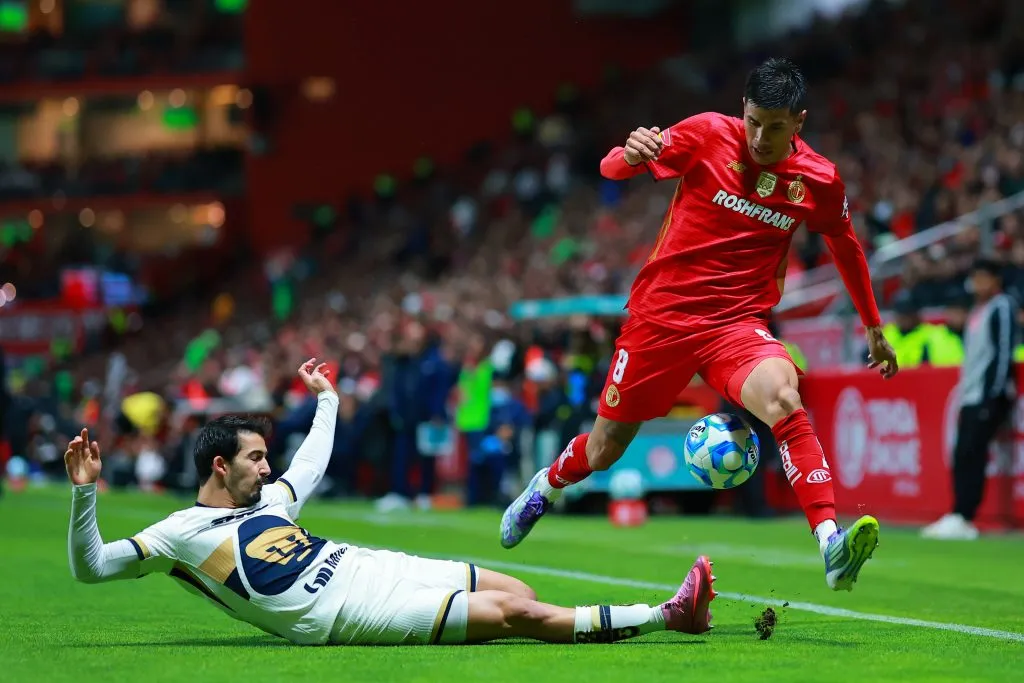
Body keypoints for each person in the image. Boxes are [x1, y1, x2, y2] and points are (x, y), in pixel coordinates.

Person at [501, 58, 899, 593]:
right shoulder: (708, 133)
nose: (760, 137)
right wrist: (630, 153)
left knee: (784, 397)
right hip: (660, 319)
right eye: (754, 122)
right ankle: (544, 488)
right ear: (743, 109)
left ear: (798, 121)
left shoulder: (818, 179)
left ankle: (830, 542)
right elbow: (610, 169)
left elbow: (845, 246)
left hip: (735, 323)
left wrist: (872, 325)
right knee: (603, 450)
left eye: (775, 127)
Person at [66, 358, 716, 646]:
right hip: (350, 611)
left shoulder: (267, 502)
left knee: (519, 589)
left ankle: (523, 624)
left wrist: (328, 399)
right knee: (515, 612)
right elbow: (91, 566)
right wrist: (85, 491)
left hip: (370, 565)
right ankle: (666, 615)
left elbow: (311, 462)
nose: (268, 467)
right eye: (256, 458)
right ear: (219, 466)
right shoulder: (180, 532)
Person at [922, 259, 1018, 540]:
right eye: (975, 278)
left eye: (982, 278)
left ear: (995, 280)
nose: (977, 284)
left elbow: (1002, 351)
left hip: (988, 396)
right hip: (971, 394)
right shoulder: (977, 310)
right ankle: (958, 513)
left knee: (973, 453)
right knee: (962, 453)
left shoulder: (1001, 306)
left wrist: (993, 394)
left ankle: (965, 516)